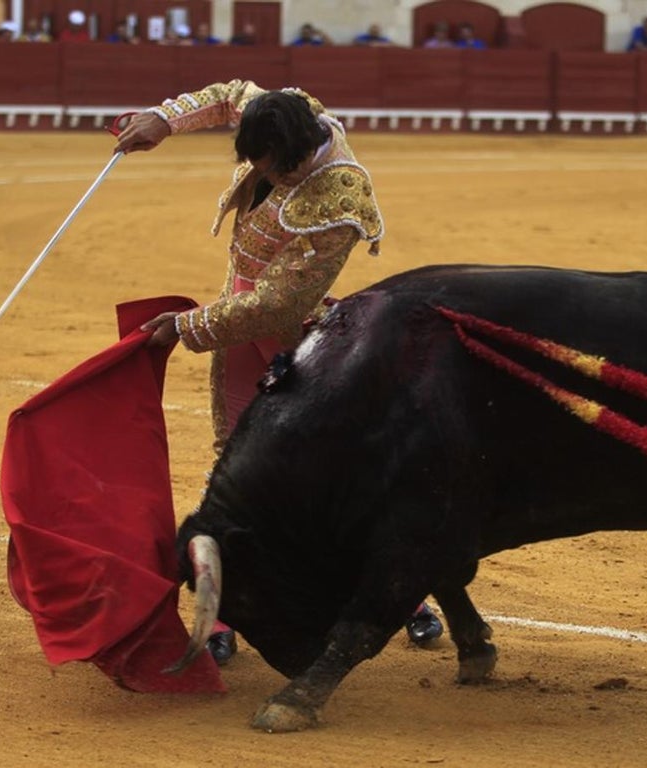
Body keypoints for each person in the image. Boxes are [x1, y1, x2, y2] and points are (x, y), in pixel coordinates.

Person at [111, 79, 444, 661]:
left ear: (294, 154)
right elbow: (229, 93)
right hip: (241, 323)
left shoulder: (340, 195)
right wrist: (164, 120)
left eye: (267, 162)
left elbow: (280, 304)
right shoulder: (287, 112)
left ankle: (404, 592)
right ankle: (224, 612)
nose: (258, 168)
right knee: (235, 463)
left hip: (299, 338)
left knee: (340, 465)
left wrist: (190, 327)